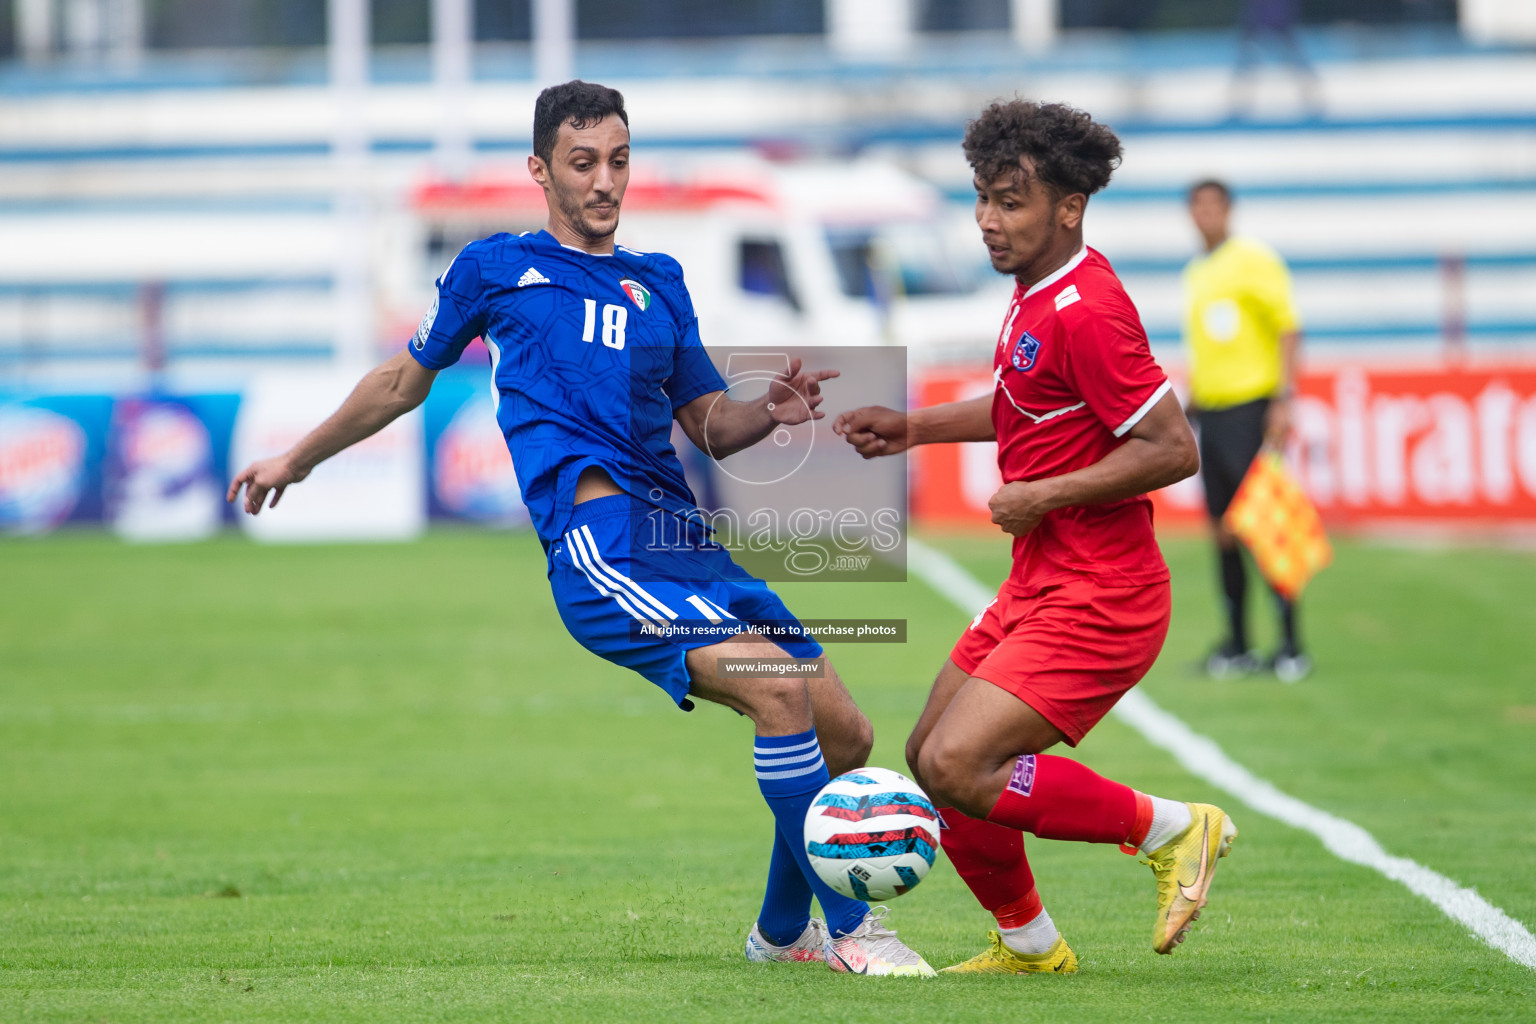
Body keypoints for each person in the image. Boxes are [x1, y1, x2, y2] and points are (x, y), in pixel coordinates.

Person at [227, 80, 932, 978]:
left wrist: (770, 411)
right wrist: (300, 457)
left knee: (846, 732)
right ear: (540, 169)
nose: (606, 181)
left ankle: (780, 932)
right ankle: (856, 935)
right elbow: (400, 382)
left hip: (688, 544)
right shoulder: (495, 268)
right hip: (602, 549)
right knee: (779, 693)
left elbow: (707, 419)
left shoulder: (660, 283)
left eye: (620, 160)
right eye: (584, 161)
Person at [834, 100, 1237, 974]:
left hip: (1104, 593)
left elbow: (1172, 448)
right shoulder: (1034, 297)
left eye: (1010, 201)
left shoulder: (1087, 307)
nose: (987, 219)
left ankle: (1171, 828)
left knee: (961, 762)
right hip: (1042, 581)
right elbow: (1025, 402)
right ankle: (1029, 945)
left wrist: (1043, 494)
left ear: (1068, 207)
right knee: (930, 755)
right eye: (982, 198)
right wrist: (912, 427)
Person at [1183, 179, 1310, 683]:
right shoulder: (1197, 270)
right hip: (1212, 411)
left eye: (1213, 205)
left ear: (1228, 210)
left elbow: (1288, 327)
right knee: (1223, 531)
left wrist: (1282, 399)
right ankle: (1237, 643)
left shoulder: (1254, 260)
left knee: (1265, 524)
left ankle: (1291, 645)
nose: (1205, 214)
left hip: (1250, 408)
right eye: (1197, 206)